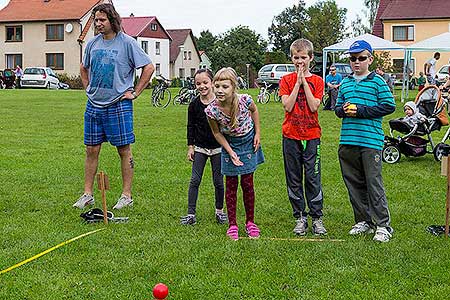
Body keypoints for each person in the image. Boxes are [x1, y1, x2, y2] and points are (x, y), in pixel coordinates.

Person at [73, 3, 154, 210]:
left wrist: (135, 92)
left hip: (118, 104)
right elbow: (84, 68)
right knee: (91, 149)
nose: (98, 24)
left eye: (102, 20)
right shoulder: (92, 44)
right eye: (96, 20)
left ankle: (126, 196)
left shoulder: (127, 43)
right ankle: (87, 194)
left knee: (124, 150)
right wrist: (88, 89)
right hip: (94, 105)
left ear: (112, 20)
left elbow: (149, 67)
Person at [335, 40, 395, 242]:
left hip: (371, 141)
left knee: (373, 183)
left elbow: (389, 106)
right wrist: (342, 110)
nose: (356, 62)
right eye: (353, 59)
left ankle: (383, 225)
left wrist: (362, 111)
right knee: (354, 183)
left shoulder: (377, 81)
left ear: (370, 59)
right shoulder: (345, 83)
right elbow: (336, 109)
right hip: (348, 140)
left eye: (361, 58)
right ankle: (363, 221)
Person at [205, 67, 264, 240]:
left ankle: (250, 222)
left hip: (248, 143)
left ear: (233, 87)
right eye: (217, 86)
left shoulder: (245, 100)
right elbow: (217, 133)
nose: (220, 90)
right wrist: (229, 151)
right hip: (229, 144)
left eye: (225, 86)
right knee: (230, 185)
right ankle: (232, 225)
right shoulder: (211, 110)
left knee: (247, 184)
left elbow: (255, 111)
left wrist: (258, 134)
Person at [279, 38, 327, 236]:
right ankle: (299, 217)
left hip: (311, 136)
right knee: (294, 178)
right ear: (291, 58)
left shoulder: (317, 81)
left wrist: (304, 83)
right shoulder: (286, 81)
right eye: (296, 58)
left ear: (311, 58)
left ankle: (317, 218)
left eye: (303, 58)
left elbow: (315, 105)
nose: (300, 62)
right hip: (291, 135)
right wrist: (296, 84)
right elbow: (288, 106)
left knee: (313, 178)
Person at [180, 69, 227, 225]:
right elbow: (190, 126)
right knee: (195, 180)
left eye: (205, 82)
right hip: (200, 148)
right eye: (198, 83)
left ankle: (220, 212)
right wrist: (190, 147)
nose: (202, 86)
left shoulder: (220, 103)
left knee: (218, 182)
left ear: (212, 83)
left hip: (218, 149)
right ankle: (191, 214)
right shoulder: (194, 105)